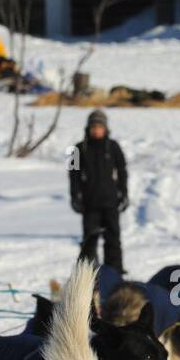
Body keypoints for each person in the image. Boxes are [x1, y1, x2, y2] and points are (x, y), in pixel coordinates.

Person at [69, 109, 127, 273]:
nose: (96, 130)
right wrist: (74, 196)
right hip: (90, 203)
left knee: (113, 238)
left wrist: (124, 193)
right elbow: (73, 175)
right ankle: (88, 273)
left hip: (110, 201)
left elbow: (122, 170)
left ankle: (115, 271)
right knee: (89, 240)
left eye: (99, 127)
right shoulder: (77, 149)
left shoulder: (113, 147)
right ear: (88, 128)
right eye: (93, 127)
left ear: (105, 128)